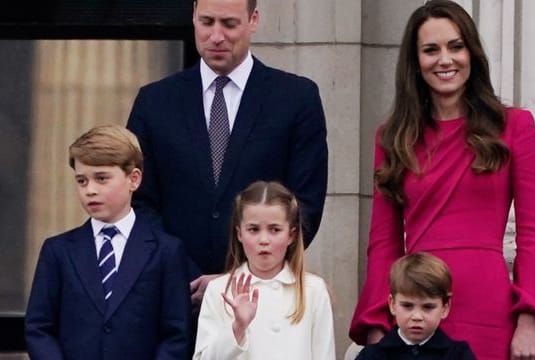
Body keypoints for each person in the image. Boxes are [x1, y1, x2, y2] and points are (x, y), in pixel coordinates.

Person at [349, 1, 535, 359]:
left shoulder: (515, 126)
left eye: (456, 46)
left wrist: (530, 317)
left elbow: (534, 231)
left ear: (472, 52)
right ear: (415, 63)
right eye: (431, 50)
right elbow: (383, 243)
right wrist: (378, 322)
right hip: (417, 307)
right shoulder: (392, 137)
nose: (445, 60)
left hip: (489, 308)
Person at [126, 0, 328, 312]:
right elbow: (138, 202)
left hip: (262, 300)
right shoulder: (155, 102)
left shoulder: (296, 99)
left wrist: (239, 277)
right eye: (207, 22)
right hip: (173, 300)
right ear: (193, 16)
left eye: (229, 24)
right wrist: (183, 273)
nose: (216, 36)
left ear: (253, 20)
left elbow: (305, 205)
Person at [25, 125, 192, 360]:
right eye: (81, 181)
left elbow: (175, 335)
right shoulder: (58, 251)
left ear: (134, 179)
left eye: (101, 178)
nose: (90, 190)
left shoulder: (166, 251)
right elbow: (39, 327)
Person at [192, 181, 335, 359]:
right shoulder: (219, 290)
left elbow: (324, 355)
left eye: (275, 230)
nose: (264, 239)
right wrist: (238, 328)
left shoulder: (313, 290)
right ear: (239, 234)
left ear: (291, 235)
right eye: (253, 229)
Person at [356, 252, 475, 360]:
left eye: (428, 307)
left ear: (445, 307)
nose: (417, 316)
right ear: (392, 304)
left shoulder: (458, 355)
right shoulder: (372, 356)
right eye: (407, 306)